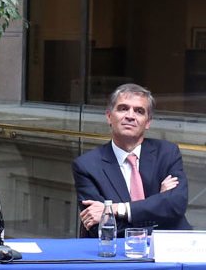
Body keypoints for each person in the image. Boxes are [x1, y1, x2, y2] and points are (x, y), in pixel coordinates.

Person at [72, 83, 191, 237]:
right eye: (123, 108)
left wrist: (117, 209)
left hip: (170, 250)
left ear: (148, 122)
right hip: (117, 254)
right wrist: (159, 202)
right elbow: (101, 228)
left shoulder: (167, 153)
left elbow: (176, 205)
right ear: (109, 116)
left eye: (139, 111)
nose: (130, 116)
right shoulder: (86, 165)